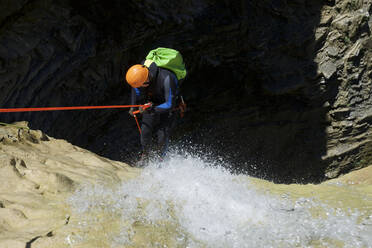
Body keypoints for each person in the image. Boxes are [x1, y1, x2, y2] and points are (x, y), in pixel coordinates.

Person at [126, 61, 179, 165]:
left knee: (162, 135)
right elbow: (135, 89)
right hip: (150, 104)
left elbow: (169, 104)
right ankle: (145, 155)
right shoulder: (140, 76)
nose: (139, 88)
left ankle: (161, 159)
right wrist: (133, 106)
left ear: (146, 82)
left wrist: (151, 109)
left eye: (141, 86)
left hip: (167, 105)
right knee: (145, 131)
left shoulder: (166, 78)